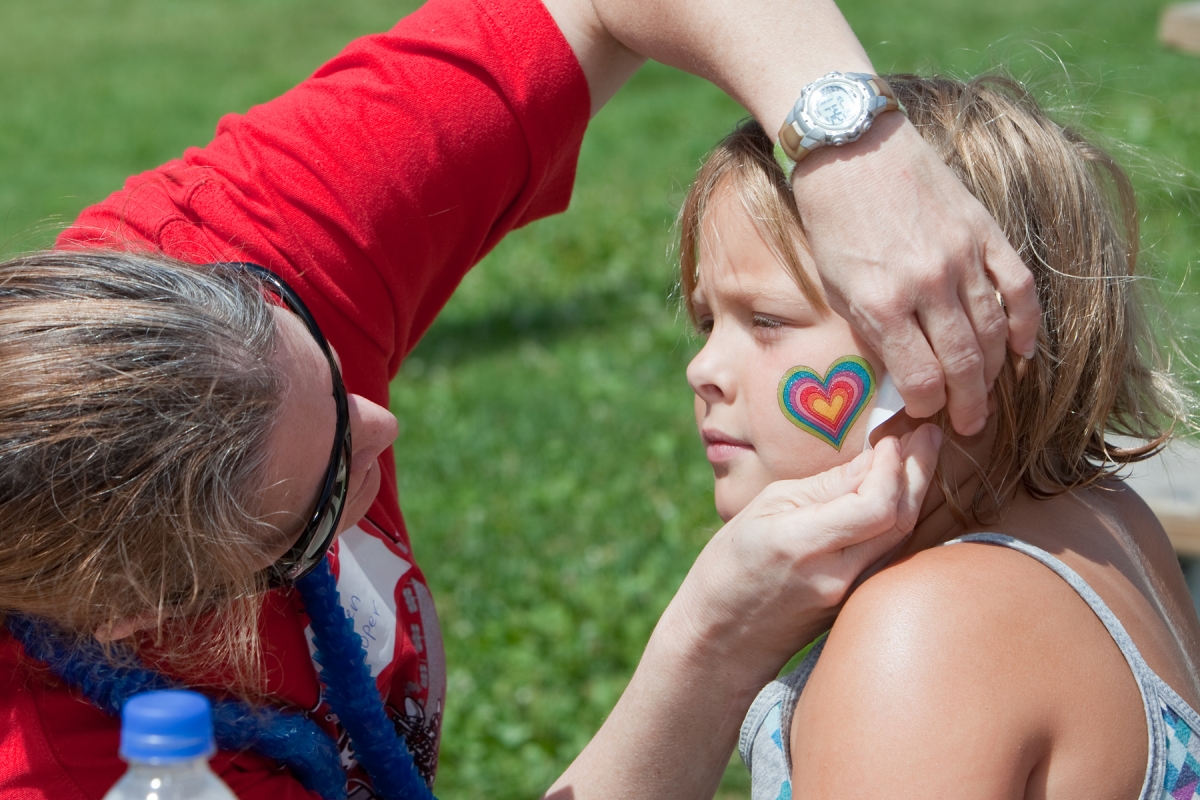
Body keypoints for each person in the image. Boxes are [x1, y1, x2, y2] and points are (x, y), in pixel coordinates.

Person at [0, 0, 1034, 797]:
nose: (383, 422)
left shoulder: (213, 266)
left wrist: (852, 150)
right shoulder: (70, 767)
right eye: (322, 497)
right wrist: (709, 645)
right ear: (142, 606)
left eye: (315, 341)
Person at [677, 73, 1200, 798]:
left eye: (765, 320)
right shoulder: (1106, 520)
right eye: (709, 322)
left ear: (968, 336)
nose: (702, 368)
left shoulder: (926, 636)